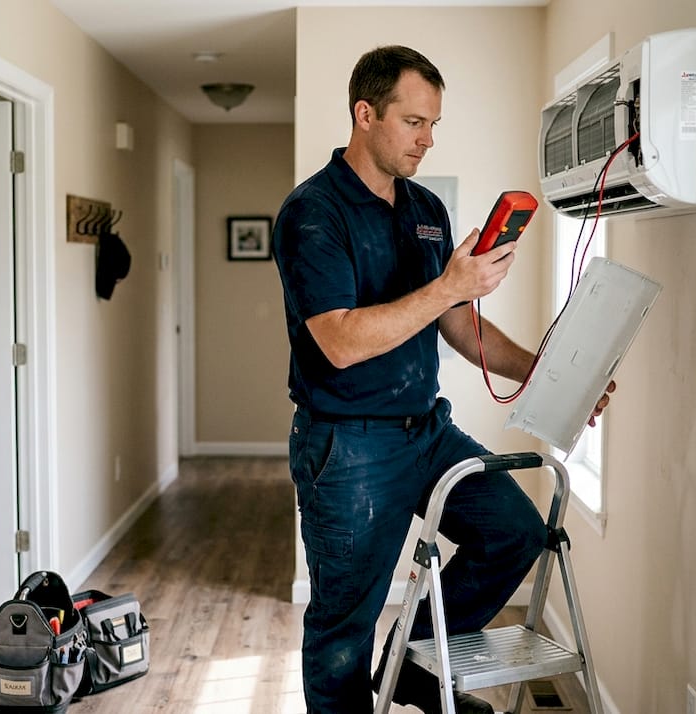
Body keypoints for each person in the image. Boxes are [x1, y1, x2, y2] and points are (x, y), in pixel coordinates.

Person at [271, 46, 611, 714]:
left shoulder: (425, 207)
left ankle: (423, 665)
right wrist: (448, 286)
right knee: (343, 630)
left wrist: (547, 374)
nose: (428, 138)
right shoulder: (313, 213)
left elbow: (459, 323)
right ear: (365, 114)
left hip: (427, 431)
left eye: (434, 124)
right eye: (414, 121)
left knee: (517, 531)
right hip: (348, 449)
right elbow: (338, 342)